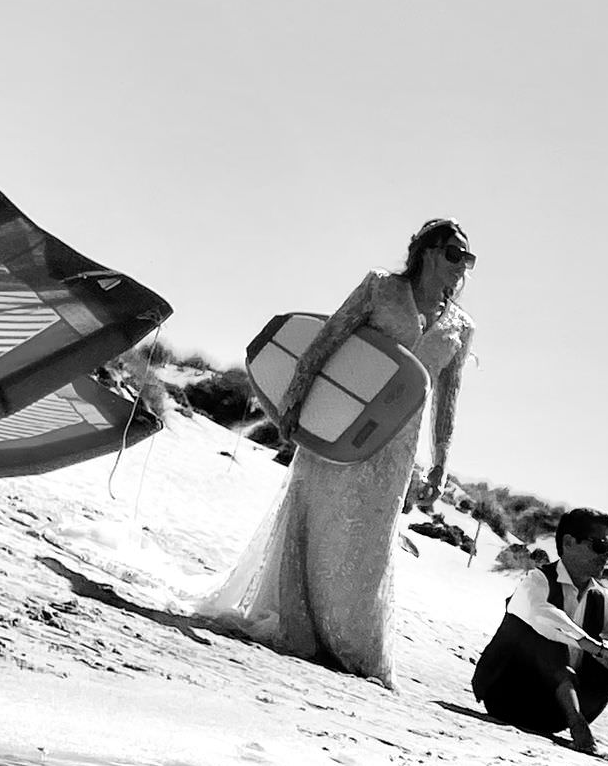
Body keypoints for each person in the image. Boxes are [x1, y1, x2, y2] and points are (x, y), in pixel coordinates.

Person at [195, 218, 477, 687]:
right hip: (339, 422)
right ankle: (302, 627)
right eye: (453, 254)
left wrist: (441, 462)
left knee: (370, 543)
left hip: (396, 443)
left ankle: (354, 646)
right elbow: (326, 342)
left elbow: (448, 398)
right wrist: (293, 404)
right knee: (318, 522)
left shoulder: (461, 327)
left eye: (468, 260)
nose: (461, 266)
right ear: (428, 251)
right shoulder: (381, 288)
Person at [470, 508, 608, 766]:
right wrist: (596, 648)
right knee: (548, 631)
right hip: (510, 699)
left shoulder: (600, 597)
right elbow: (544, 616)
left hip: (554, 715)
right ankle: (577, 725)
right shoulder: (535, 581)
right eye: (600, 546)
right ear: (569, 543)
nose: (607, 556)